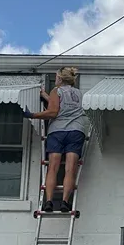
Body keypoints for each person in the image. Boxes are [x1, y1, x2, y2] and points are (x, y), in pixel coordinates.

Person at [23, 66, 86, 213]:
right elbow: (64, 106)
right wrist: (46, 96)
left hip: (57, 132)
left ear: (60, 78)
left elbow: (53, 112)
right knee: (70, 169)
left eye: (56, 76)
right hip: (76, 131)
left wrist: (32, 115)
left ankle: (49, 202)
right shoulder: (79, 93)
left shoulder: (56, 91)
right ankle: (65, 202)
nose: (55, 79)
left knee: (53, 168)